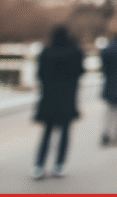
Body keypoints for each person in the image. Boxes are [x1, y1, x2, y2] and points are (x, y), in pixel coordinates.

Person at [32, 25, 84, 180]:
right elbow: (80, 72)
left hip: (49, 97)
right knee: (65, 133)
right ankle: (59, 164)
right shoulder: (75, 52)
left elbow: (39, 74)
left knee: (46, 133)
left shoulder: (46, 52)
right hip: (67, 98)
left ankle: (39, 165)